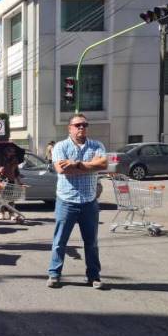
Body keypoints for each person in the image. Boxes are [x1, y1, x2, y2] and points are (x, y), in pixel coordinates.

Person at [47, 114, 108, 290]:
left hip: (89, 203)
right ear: (70, 128)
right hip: (67, 202)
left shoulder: (97, 145)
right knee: (60, 241)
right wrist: (90, 166)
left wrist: (78, 164)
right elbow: (62, 169)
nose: (81, 127)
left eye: (84, 125)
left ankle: (93, 276)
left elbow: (103, 164)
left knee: (92, 242)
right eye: (78, 125)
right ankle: (54, 274)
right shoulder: (61, 146)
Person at [0, 146, 23, 221]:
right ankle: (1, 213)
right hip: (0, 180)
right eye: (11, 151)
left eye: (13, 151)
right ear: (6, 151)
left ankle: (11, 214)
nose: (13, 153)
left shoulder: (15, 160)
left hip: (10, 180)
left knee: (10, 198)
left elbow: (16, 172)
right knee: (1, 198)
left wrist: (20, 182)